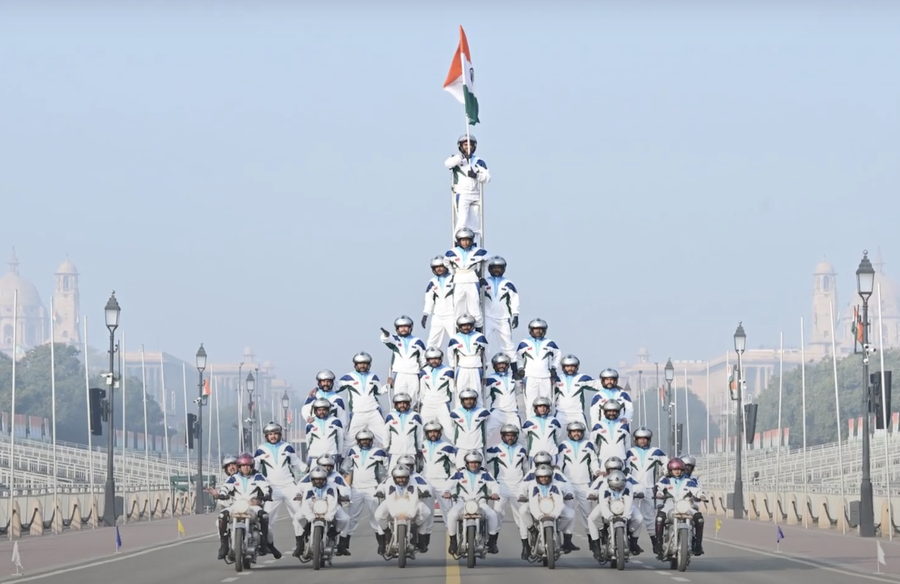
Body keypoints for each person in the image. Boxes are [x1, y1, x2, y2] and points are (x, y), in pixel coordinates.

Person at [253, 422, 304, 559]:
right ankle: (270, 545)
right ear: (266, 436)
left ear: (279, 434)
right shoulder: (261, 449)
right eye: (270, 434)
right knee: (266, 519)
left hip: (289, 486)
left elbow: (297, 463)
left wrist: (311, 469)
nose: (273, 436)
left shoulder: (287, 447)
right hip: (271, 488)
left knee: (300, 515)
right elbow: (255, 469)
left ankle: (300, 545)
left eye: (275, 433)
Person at [213, 452, 272, 560]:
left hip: (252, 506)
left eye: (247, 465)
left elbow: (266, 487)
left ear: (251, 466)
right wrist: (220, 494)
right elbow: (226, 487)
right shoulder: (234, 478)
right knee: (222, 516)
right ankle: (224, 545)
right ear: (239, 467)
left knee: (264, 516)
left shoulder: (258, 476)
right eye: (243, 466)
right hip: (238, 505)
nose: (245, 468)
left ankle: (264, 543)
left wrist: (266, 495)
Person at [443, 450, 501, 555]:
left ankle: (492, 542)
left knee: (493, 515)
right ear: (467, 463)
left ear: (480, 463)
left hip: (481, 503)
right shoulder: (459, 473)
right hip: (462, 502)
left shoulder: (485, 474)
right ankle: (453, 542)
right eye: (471, 462)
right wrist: (447, 492)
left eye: (476, 463)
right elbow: (448, 483)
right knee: (451, 515)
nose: (474, 465)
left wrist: (495, 493)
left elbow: (494, 485)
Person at [297, 454, 352, 556]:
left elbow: (345, 488)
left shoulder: (336, 477)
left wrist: (345, 496)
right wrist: (298, 494)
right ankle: (300, 543)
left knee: (345, 519)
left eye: (329, 465)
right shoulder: (312, 475)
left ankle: (341, 543)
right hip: (313, 504)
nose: (327, 468)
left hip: (331, 503)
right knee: (297, 517)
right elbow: (300, 486)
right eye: (324, 465)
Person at [343, 429, 388, 555]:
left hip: (372, 488)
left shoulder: (379, 452)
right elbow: (346, 467)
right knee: (352, 517)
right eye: (362, 440)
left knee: (376, 516)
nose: (364, 442)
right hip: (356, 489)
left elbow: (388, 469)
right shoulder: (353, 451)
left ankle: (382, 544)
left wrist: (384, 483)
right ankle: (344, 544)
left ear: (371, 440)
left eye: (367, 440)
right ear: (358, 441)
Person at [517, 465, 578, 556]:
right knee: (522, 510)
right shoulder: (533, 486)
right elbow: (533, 504)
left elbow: (559, 502)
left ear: (550, 477)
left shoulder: (555, 485)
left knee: (571, 514)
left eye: (546, 477)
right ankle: (533, 530)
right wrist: (539, 516)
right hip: (538, 506)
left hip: (552, 507)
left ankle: (557, 530)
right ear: (537, 477)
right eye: (541, 477)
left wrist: (554, 515)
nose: (544, 479)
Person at [625, 426, 668, 554]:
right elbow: (625, 470)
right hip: (633, 489)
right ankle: (633, 542)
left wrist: (664, 477)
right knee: (633, 516)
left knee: (649, 518)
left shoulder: (656, 452)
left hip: (649, 488)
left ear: (649, 439)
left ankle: (656, 544)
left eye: (645, 439)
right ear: (635, 439)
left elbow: (668, 465)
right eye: (640, 439)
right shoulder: (629, 452)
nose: (642, 441)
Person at [653, 458, 706, 557]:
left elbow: (696, 490)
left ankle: (698, 544)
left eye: (679, 469)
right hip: (670, 504)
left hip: (684, 505)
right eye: (674, 469)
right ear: (670, 470)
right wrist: (659, 493)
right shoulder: (666, 480)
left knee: (699, 519)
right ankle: (658, 544)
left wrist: (701, 495)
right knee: (660, 518)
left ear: (682, 470)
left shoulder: (688, 481)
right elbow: (659, 487)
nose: (677, 471)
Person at [373, 467, 431, 556]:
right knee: (378, 515)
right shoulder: (389, 482)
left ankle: (414, 528)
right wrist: (396, 514)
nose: (401, 480)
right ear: (394, 477)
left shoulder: (413, 482)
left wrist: (409, 515)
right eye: (398, 478)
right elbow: (390, 500)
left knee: (426, 511)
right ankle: (386, 534)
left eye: (403, 478)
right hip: (392, 501)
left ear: (408, 477)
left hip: (408, 501)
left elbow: (414, 500)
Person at [557, 421, 601, 537]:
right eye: (574, 431)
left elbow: (594, 462)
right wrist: (556, 469)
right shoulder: (563, 445)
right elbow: (559, 463)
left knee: (588, 514)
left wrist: (597, 471)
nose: (576, 434)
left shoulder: (589, 445)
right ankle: (567, 540)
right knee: (569, 513)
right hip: (568, 484)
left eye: (579, 432)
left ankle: (593, 541)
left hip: (585, 484)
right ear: (569, 433)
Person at [338, 352, 387, 452]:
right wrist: (317, 390)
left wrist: (388, 386)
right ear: (355, 364)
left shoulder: (373, 377)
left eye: (365, 363)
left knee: (385, 438)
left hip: (374, 412)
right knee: (349, 441)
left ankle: (393, 462)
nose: (362, 365)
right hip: (357, 414)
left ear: (369, 364)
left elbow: (379, 392)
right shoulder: (348, 377)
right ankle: (342, 466)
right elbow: (334, 387)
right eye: (360, 363)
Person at [587, 469, 643, 558]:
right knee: (591, 518)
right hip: (609, 505)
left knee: (639, 518)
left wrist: (626, 516)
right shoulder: (604, 486)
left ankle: (633, 540)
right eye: (614, 487)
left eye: (619, 487)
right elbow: (603, 503)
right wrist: (609, 516)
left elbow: (629, 502)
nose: (617, 489)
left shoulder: (628, 485)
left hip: (623, 505)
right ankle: (596, 544)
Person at [485, 424, 529, 538]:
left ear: (516, 436)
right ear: (502, 436)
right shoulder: (495, 449)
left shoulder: (522, 450)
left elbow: (526, 469)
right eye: (507, 435)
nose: (510, 438)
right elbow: (483, 461)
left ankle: (526, 544)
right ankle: (492, 541)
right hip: (501, 486)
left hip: (518, 487)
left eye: (512, 435)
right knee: (496, 514)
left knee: (522, 515)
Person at [445, 134, 490, 241]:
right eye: (465, 145)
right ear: (460, 146)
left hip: (475, 194)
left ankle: (473, 244)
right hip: (462, 194)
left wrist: (476, 175)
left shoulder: (478, 161)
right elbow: (447, 164)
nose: (468, 147)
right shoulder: (456, 159)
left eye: (470, 145)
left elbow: (487, 178)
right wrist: (462, 157)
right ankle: (457, 243)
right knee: (462, 222)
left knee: (475, 224)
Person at [443, 228, 489, 329]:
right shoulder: (452, 252)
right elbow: (446, 262)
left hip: (472, 278)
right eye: (463, 240)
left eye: (467, 240)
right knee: (458, 303)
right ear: (459, 241)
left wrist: (481, 272)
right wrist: (452, 272)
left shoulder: (478, 251)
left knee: (475, 304)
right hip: (458, 279)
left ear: (471, 240)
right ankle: (458, 327)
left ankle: (478, 328)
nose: (465, 242)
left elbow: (487, 259)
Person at [419, 420, 458, 534]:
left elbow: (457, 463)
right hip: (426, 481)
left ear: (440, 433)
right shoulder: (421, 445)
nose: (433, 434)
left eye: (435, 432)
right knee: (427, 510)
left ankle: (452, 535)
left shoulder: (447, 446)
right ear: (426, 433)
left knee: (448, 510)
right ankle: (426, 535)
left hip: (442, 481)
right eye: (430, 432)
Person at [393, 454, 436, 552]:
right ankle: (384, 539)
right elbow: (384, 485)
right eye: (404, 465)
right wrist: (380, 492)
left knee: (426, 512)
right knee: (379, 514)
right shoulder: (393, 475)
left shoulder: (417, 477)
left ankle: (417, 532)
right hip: (396, 502)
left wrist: (425, 492)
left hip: (413, 502)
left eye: (409, 466)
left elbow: (426, 486)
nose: (407, 468)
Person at [482, 256, 520, 367]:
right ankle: (484, 365)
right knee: (484, 343)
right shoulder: (485, 281)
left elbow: (514, 300)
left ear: (504, 269)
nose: (496, 270)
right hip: (487, 317)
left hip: (503, 318)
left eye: (499, 268)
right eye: (494, 268)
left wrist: (515, 315)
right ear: (489, 269)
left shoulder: (508, 284)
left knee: (507, 344)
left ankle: (514, 369)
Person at [380, 316, 427, 403]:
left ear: (410, 328)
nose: (403, 329)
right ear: (397, 329)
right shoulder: (396, 339)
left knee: (413, 399)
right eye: (401, 327)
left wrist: (424, 374)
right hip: (400, 373)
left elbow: (423, 360)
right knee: (399, 398)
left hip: (414, 374)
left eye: (406, 326)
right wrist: (386, 335)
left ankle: (413, 415)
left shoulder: (418, 342)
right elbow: (387, 339)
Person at [515, 319, 560, 407]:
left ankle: (546, 420)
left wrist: (554, 368)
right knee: (530, 403)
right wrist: (520, 368)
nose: (538, 331)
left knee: (546, 402)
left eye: (541, 329)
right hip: (530, 376)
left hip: (545, 376)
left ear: (544, 330)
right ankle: (531, 421)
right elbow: (518, 356)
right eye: (535, 329)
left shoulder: (550, 343)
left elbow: (557, 354)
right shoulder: (524, 343)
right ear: (531, 330)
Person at [447, 314, 489, 407]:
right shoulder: (454, 338)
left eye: (468, 325)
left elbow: (486, 352)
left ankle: (478, 414)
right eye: (464, 325)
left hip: (476, 367)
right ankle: (459, 414)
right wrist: (452, 367)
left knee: (477, 391)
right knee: (460, 391)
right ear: (460, 326)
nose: (466, 327)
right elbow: (450, 355)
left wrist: (486, 364)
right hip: (462, 368)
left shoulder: (480, 336)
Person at [449, 388, 493, 469]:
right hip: (461, 448)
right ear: (462, 401)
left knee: (480, 472)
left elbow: (488, 426)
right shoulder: (454, 413)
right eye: (466, 399)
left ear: (475, 400)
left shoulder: (483, 412)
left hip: (477, 448)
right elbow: (452, 427)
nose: (469, 401)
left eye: (471, 399)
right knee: (461, 473)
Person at [417, 347, 455, 439]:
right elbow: (421, 391)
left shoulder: (448, 371)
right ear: (427, 360)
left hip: (441, 404)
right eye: (431, 359)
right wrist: (419, 403)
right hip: (427, 405)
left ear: (441, 359)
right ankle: (420, 451)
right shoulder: (424, 372)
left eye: (436, 359)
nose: (434, 361)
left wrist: (456, 381)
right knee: (421, 430)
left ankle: (459, 449)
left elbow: (453, 390)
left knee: (450, 430)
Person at [483, 353, 522, 444]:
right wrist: (483, 384)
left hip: (512, 413)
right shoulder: (490, 378)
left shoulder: (512, 376)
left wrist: (519, 380)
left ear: (508, 365)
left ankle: (521, 457)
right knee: (484, 432)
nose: (501, 366)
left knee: (519, 437)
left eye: (503, 364)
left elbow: (519, 391)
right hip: (497, 412)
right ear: (494, 365)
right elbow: (486, 396)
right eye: (498, 364)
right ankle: (481, 455)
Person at [422, 256, 456, 351]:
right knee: (432, 342)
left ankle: (456, 363)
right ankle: (428, 363)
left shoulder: (453, 278)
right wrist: (425, 314)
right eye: (436, 267)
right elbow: (429, 300)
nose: (439, 269)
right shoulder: (432, 282)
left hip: (452, 315)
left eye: (441, 266)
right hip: (438, 316)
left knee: (456, 340)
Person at [384, 393, 424, 471]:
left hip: (411, 453)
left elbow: (420, 435)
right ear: (395, 405)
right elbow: (386, 435)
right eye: (399, 403)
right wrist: (386, 448)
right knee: (392, 476)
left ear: (409, 404)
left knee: (411, 476)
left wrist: (419, 450)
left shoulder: (415, 416)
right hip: (395, 453)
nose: (402, 405)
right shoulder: (390, 416)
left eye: (404, 403)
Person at [552, 354, 595, 428]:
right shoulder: (557, 379)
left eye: (572, 366)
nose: (570, 368)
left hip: (577, 414)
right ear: (563, 367)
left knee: (586, 437)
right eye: (567, 366)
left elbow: (600, 384)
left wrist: (616, 387)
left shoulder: (582, 378)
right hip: (561, 414)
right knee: (558, 437)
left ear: (577, 367)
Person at [304, 398, 344, 468]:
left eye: (324, 410)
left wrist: (340, 454)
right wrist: (309, 456)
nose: (322, 412)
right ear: (315, 411)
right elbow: (308, 441)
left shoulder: (336, 422)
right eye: (319, 410)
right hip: (315, 457)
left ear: (328, 410)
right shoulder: (310, 424)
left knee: (332, 478)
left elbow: (340, 439)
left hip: (331, 456)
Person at [522, 397, 562, 466]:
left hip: (552, 454)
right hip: (534, 454)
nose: (542, 409)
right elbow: (523, 438)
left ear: (548, 408)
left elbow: (559, 437)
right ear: (535, 408)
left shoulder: (554, 421)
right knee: (534, 475)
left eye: (544, 406)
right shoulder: (529, 422)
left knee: (552, 475)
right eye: (540, 406)